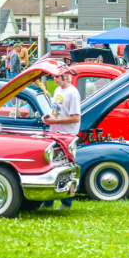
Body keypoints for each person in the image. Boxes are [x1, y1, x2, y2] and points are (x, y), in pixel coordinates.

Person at [42, 72, 82, 209]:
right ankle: (48, 201)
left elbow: (76, 118)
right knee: (52, 168)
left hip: (67, 136)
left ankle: (67, 203)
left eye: (57, 77)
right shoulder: (58, 90)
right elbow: (57, 111)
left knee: (67, 170)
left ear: (65, 76)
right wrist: (48, 117)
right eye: (53, 77)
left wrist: (55, 121)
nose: (55, 79)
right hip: (55, 134)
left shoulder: (73, 93)